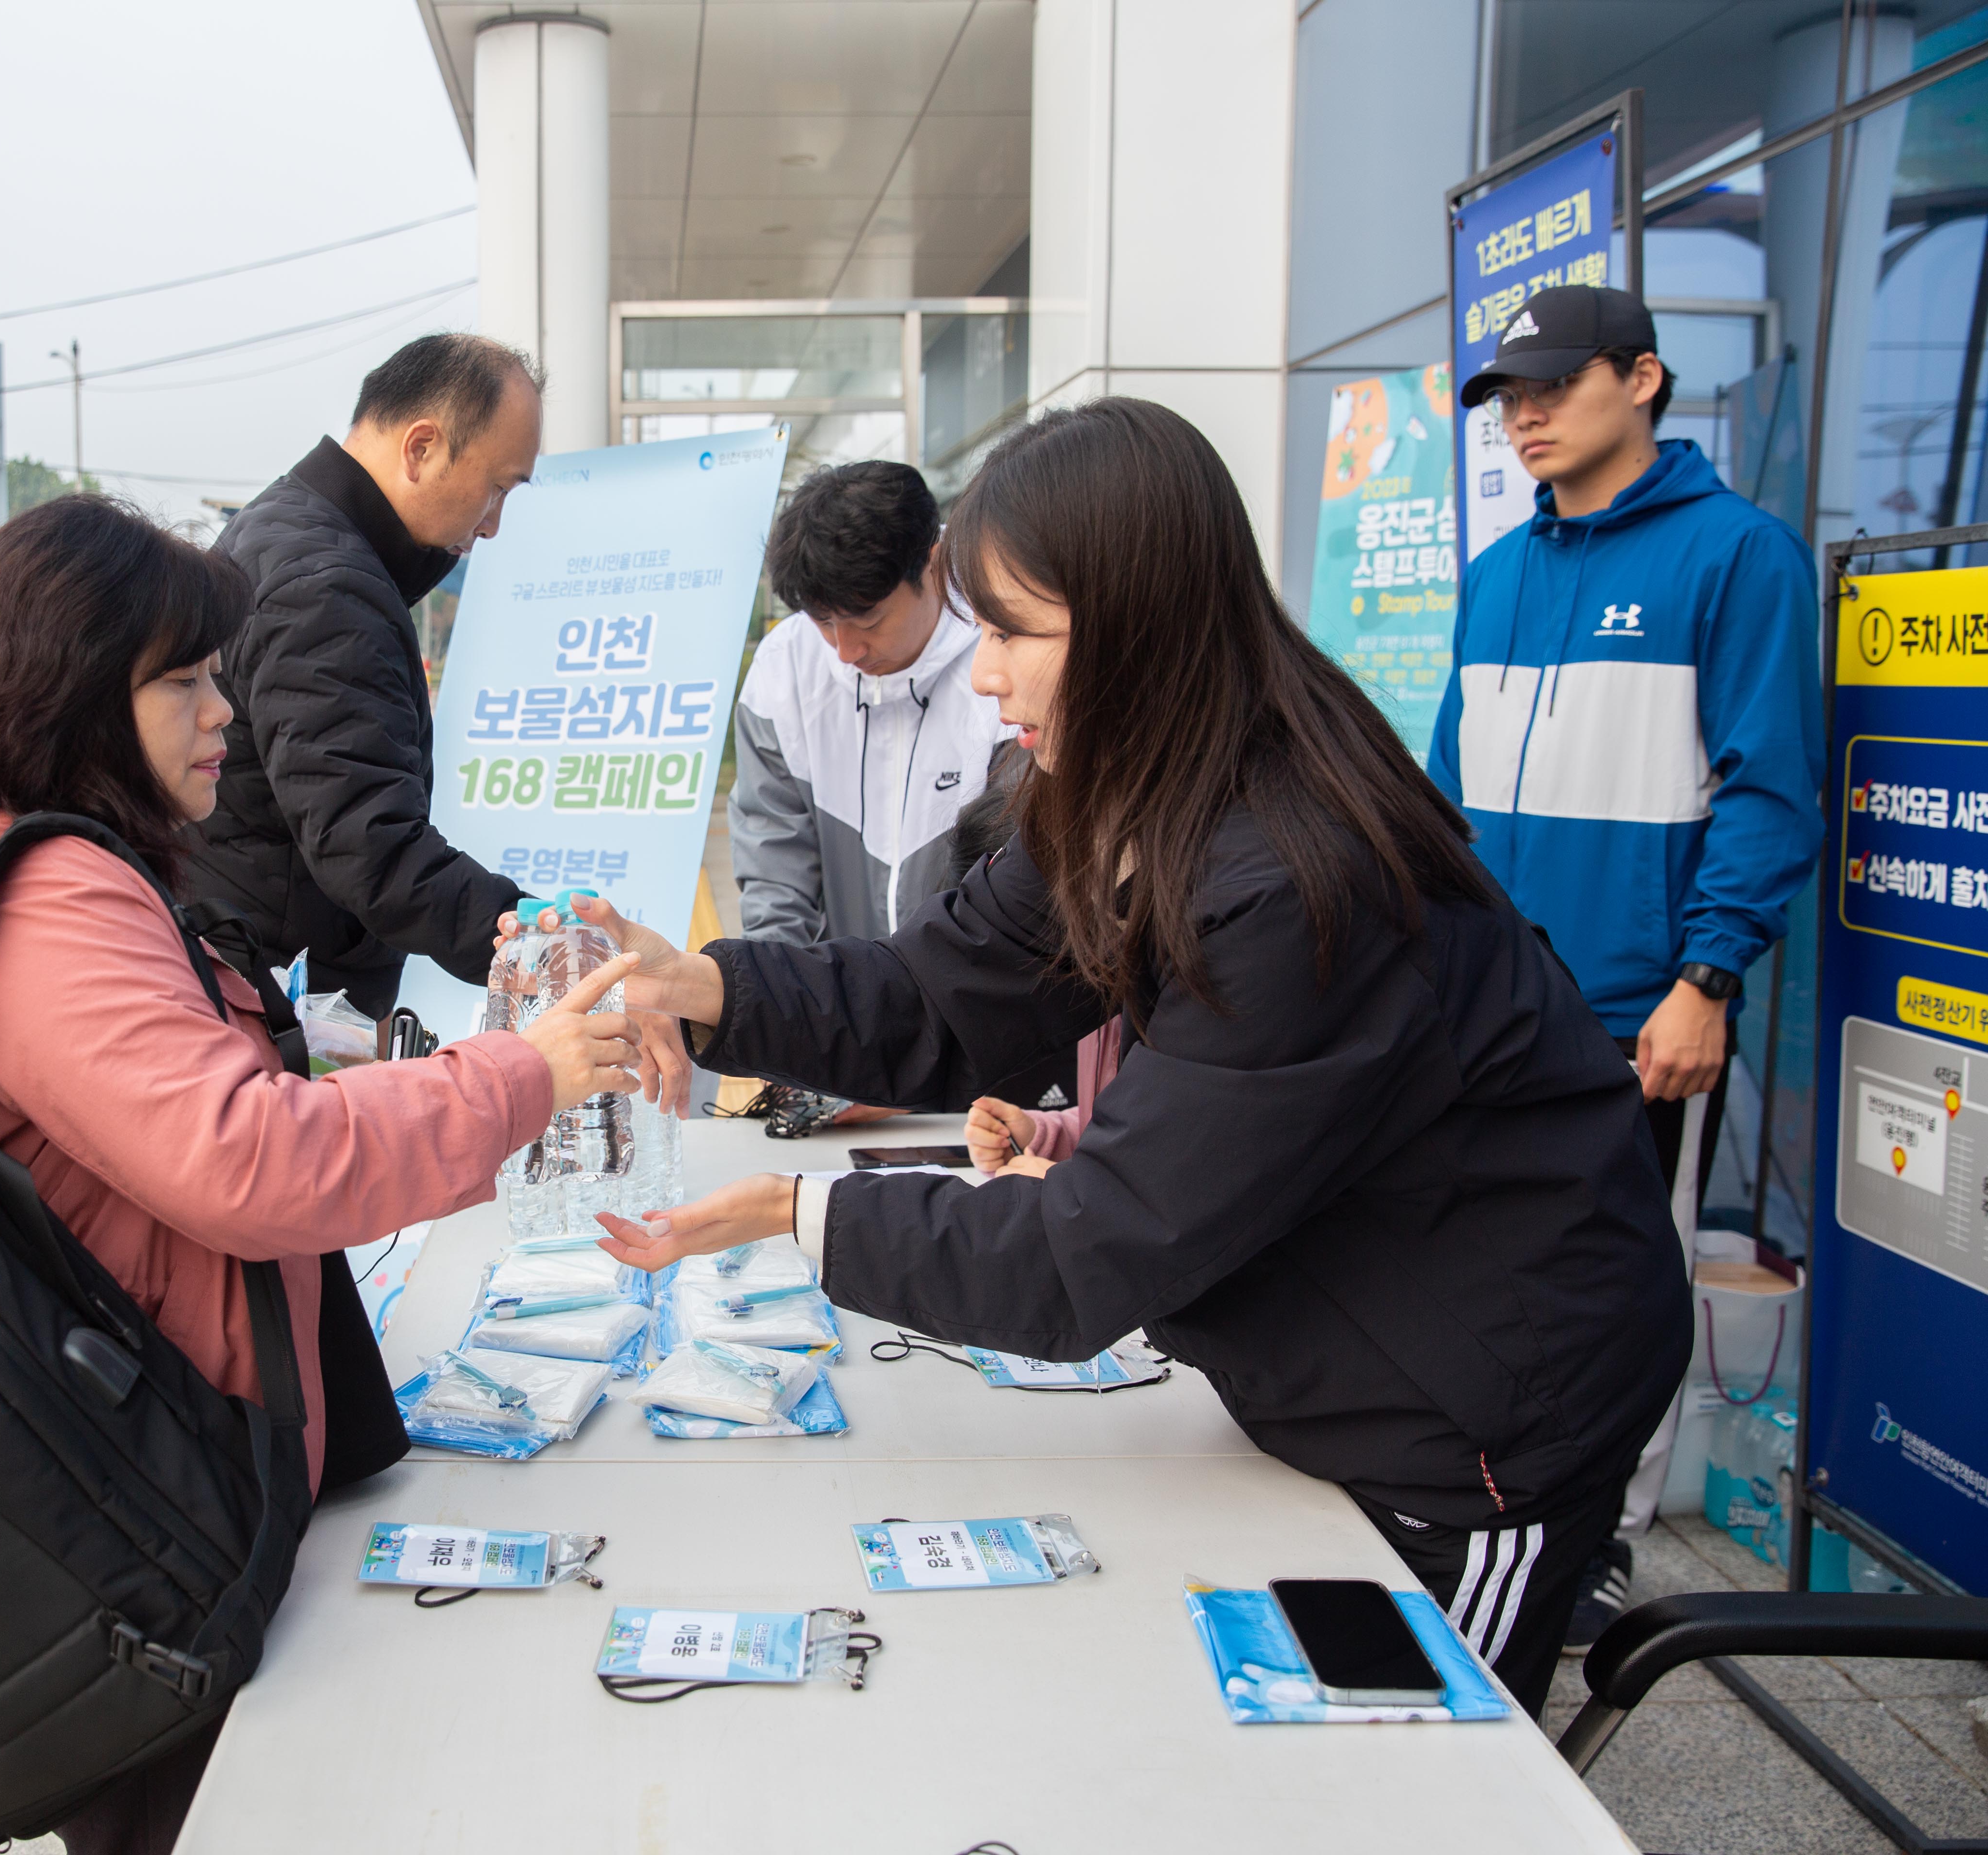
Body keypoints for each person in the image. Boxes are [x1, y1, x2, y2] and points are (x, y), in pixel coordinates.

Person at [573, 397, 1691, 1717]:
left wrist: (795, 1211)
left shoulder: (1295, 880)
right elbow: (940, 995)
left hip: (1480, 1426)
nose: (984, 676)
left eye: (1012, 633)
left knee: (1407, 1784)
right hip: (1332, 1355)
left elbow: (1089, 1254)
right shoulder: (1125, 788)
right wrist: (703, 985)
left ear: (1138, 623)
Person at [0, 496, 638, 1854]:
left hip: (128, 1479)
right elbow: (248, 1157)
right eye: (187, 681)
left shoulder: (54, 877)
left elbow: (207, 1115)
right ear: (76, 692)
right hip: (146, 1511)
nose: (226, 716)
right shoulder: (53, 903)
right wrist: (526, 1075)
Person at [1432, 284, 1823, 1649]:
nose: (1525, 415)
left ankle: (1605, 1535)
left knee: (1624, 1286)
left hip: (1633, 1015)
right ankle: (1492, 1500)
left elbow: (1773, 791)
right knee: (1484, 1264)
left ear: (1643, 378)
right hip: (1484, 1010)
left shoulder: (1738, 557)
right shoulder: (1499, 574)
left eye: (1553, 386)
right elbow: (1445, 799)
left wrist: (1706, 978)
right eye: (1508, 397)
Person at [195, 332, 546, 1018]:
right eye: (496, 487)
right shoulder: (326, 587)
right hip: (282, 997)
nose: (495, 524)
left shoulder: (286, 531)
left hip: (255, 958)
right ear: (421, 448)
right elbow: (373, 849)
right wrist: (544, 948)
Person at [725, 460, 1016, 1133]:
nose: (846, 649)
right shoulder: (786, 670)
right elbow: (775, 877)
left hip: (986, 1057)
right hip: (842, 1053)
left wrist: (922, 1057)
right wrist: (788, 1029)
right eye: (824, 623)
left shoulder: (1004, 663)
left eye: (867, 620)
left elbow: (1012, 916)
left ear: (934, 563)